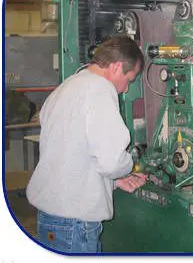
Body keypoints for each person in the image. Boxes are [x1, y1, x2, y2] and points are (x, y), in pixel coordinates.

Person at [26, 35, 147, 253]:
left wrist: (114, 183)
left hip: (51, 218)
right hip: (74, 225)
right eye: (129, 79)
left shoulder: (68, 87)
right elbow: (112, 162)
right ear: (117, 67)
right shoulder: (99, 90)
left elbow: (71, 154)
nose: (126, 89)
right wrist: (127, 165)